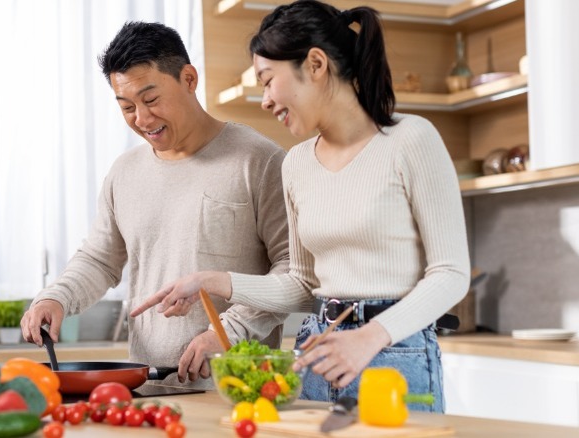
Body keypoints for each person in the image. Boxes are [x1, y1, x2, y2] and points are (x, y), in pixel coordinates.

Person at [131, 0, 469, 411]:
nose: (265, 100)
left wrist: (371, 335)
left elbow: (451, 274)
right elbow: (301, 284)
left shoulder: (411, 141)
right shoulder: (296, 164)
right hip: (317, 351)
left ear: (315, 64)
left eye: (268, 80)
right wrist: (212, 280)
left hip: (396, 354)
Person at [20, 21, 290, 389]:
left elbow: (291, 271)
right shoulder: (125, 172)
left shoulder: (259, 160)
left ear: (189, 79)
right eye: (127, 106)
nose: (142, 119)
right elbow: (99, 260)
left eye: (151, 100)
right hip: (146, 388)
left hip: (237, 389)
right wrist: (57, 298)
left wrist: (229, 332)